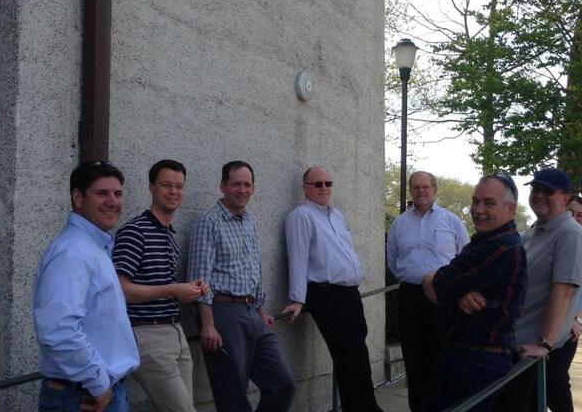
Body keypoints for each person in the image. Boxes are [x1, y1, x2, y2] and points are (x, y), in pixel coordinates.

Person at [187, 161, 295, 412]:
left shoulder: (250, 221)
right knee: (233, 396)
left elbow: (252, 268)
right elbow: (199, 278)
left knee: (282, 384)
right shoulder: (209, 221)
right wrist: (208, 323)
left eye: (247, 184)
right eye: (236, 183)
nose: (242, 189)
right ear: (223, 186)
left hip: (251, 314)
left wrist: (259, 310)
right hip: (223, 315)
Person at [33, 160, 139, 412]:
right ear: (77, 198)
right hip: (83, 398)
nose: (113, 201)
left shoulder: (94, 248)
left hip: (91, 392)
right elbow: (58, 330)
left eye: (118, 193)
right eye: (102, 193)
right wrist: (98, 383)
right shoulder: (73, 253)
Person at [421, 173, 526, 411]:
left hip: (475, 363)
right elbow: (436, 284)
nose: (478, 209)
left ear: (510, 209)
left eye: (489, 203)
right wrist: (453, 291)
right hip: (464, 358)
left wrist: (442, 285)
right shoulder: (481, 243)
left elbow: (437, 284)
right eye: (475, 201)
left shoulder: (499, 247)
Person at [281, 166, 383, 412]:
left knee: (357, 355)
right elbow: (298, 257)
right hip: (326, 295)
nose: (324, 188)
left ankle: (363, 407)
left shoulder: (335, 215)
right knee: (351, 357)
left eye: (328, 183)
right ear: (306, 188)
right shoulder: (301, 216)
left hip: (349, 294)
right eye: (318, 184)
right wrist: (297, 298)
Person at [113, 159, 209, 412]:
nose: (174, 192)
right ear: (151, 188)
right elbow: (120, 291)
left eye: (179, 186)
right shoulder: (135, 231)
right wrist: (173, 290)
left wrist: (188, 290)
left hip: (176, 333)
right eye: (166, 185)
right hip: (147, 336)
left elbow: (157, 286)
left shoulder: (170, 235)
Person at [490, 168, 582, 412]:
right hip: (513, 348)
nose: (539, 195)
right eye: (536, 189)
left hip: (533, 355)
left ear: (565, 198)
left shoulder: (570, 234)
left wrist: (544, 344)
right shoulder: (534, 232)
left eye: (548, 191)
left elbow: (564, 291)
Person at [386, 171, 469, 411]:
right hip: (410, 297)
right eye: (416, 187)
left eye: (426, 187)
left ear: (435, 189)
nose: (421, 191)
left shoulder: (452, 221)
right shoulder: (399, 224)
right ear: (410, 190)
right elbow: (393, 260)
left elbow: (464, 258)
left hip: (443, 297)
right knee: (414, 359)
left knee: (443, 356)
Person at [544, 195, 582, 411]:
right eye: (570, 213)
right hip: (538, 322)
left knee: (556, 382)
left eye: (580, 215)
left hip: (567, 327)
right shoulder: (545, 239)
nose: (574, 218)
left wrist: (577, 318)